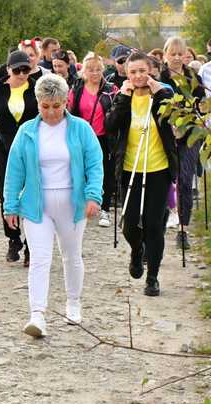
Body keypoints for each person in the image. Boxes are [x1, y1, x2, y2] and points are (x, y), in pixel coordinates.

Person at [4, 73, 103, 337]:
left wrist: (94, 195)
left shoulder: (81, 129)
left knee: (71, 255)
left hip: (73, 204)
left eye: (56, 106)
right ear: (37, 103)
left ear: (65, 102)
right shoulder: (26, 132)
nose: (51, 112)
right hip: (38, 205)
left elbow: (95, 164)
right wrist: (10, 205)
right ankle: (37, 314)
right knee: (39, 258)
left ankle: (73, 302)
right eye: (45, 106)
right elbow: (14, 170)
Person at [106, 51, 177, 297]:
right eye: (132, 72)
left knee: (154, 224)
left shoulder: (162, 95)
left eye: (142, 71)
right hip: (130, 170)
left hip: (159, 170)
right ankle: (137, 250)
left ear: (151, 72)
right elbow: (110, 125)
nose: (138, 76)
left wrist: (160, 93)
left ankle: (153, 277)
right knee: (130, 224)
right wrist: (124, 99)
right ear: (126, 73)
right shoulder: (122, 97)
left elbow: (173, 118)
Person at [0, 50, 39, 265]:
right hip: (5, 147)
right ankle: (13, 239)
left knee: (32, 193)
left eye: (26, 69)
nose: (23, 74)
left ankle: (32, 245)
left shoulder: (36, 87)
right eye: (18, 70)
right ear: (8, 70)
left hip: (32, 147)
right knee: (8, 193)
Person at [159, 37, 206, 250]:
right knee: (163, 181)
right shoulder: (159, 77)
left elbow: (201, 106)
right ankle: (158, 225)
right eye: (173, 53)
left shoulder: (192, 77)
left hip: (189, 135)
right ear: (166, 54)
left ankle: (183, 229)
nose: (177, 58)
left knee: (185, 181)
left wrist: (187, 124)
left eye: (180, 54)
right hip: (164, 137)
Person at [68, 52, 116, 228]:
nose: (94, 73)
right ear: (83, 71)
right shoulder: (77, 90)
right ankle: (83, 205)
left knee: (105, 172)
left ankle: (105, 209)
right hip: (83, 137)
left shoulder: (111, 90)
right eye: (90, 69)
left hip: (104, 137)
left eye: (98, 69)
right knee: (80, 171)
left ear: (103, 70)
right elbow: (70, 112)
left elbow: (116, 112)